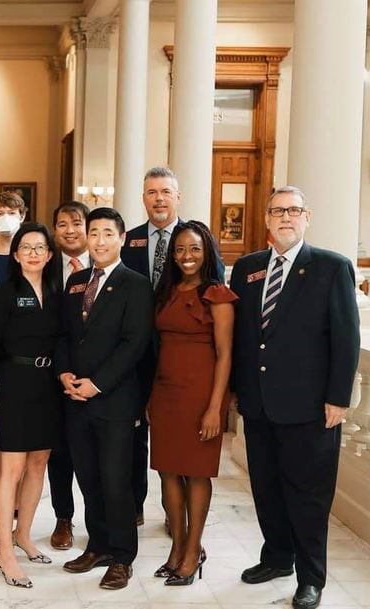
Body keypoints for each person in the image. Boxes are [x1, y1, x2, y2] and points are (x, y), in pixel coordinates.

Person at [230, 186, 359, 609]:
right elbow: (243, 337)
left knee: (308, 497)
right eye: (277, 211)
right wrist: (237, 390)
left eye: (294, 210)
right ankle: (277, 558)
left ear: (307, 217)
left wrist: (338, 398)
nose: (286, 217)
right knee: (266, 490)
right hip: (259, 403)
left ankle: (311, 578)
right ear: (266, 219)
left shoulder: (331, 267)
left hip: (310, 407)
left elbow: (346, 339)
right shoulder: (247, 268)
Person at [121, 167, 226, 527]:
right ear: (143, 198)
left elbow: (217, 309)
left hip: (189, 364)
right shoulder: (129, 241)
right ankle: (135, 504)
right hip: (139, 360)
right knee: (137, 438)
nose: (159, 198)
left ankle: (179, 522)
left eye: (166, 191)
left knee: (188, 450)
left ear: (178, 197)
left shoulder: (198, 243)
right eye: (151, 192)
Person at [56, 206, 153, 591]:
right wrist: (63, 373)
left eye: (107, 234)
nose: (99, 241)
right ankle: (97, 546)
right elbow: (63, 335)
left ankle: (122, 556)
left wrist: (97, 383)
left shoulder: (136, 284)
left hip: (113, 399)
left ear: (122, 239)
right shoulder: (76, 280)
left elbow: (135, 344)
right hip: (74, 398)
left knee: (116, 480)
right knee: (88, 477)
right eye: (93, 233)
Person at [149, 221, 237, 585]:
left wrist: (216, 407)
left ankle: (193, 550)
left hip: (200, 395)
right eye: (180, 249)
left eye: (195, 249)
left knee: (197, 472)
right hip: (165, 394)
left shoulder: (217, 294)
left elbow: (226, 354)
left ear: (207, 252)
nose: (186, 256)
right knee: (168, 471)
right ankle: (178, 547)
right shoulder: (167, 291)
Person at [0, 222, 60, 588]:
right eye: (26, 247)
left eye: (39, 247)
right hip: (14, 382)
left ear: (49, 254)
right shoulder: (5, 293)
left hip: (48, 385)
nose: (33, 252)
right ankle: (5, 551)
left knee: (38, 462)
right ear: (15, 255)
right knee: (11, 469)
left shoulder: (56, 291)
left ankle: (24, 535)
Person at [45, 201, 91, 551]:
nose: (70, 230)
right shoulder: (44, 267)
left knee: (97, 454)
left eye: (77, 223)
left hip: (99, 379)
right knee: (59, 452)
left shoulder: (107, 265)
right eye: (62, 224)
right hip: (53, 377)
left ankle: (101, 519)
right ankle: (64, 518)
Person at [0, 190, 28, 522]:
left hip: (25, 357)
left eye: (11, 211)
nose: (5, 217)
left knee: (22, 431)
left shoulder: (31, 257)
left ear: (23, 216)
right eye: (0, 211)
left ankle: (16, 497)